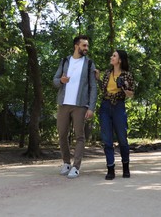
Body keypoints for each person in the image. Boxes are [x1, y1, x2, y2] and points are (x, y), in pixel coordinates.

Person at [53, 35, 98, 179]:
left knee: (80, 136)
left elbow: (93, 87)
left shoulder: (90, 64)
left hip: (80, 105)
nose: (86, 48)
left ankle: (76, 167)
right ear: (76, 46)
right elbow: (54, 81)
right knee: (62, 135)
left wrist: (91, 107)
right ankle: (66, 163)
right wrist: (61, 80)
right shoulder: (65, 61)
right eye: (84, 45)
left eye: (87, 46)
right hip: (64, 104)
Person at [96, 50, 135, 180]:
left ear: (120, 60)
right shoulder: (107, 73)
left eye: (114, 56)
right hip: (105, 106)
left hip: (119, 106)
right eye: (112, 55)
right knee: (107, 140)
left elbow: (131, 94)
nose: (111, 57)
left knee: (122, 139)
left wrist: (124, 86)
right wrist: (98, 79)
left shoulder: (127, 75)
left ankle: (125, 167)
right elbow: (103, 90)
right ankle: (110, 169)